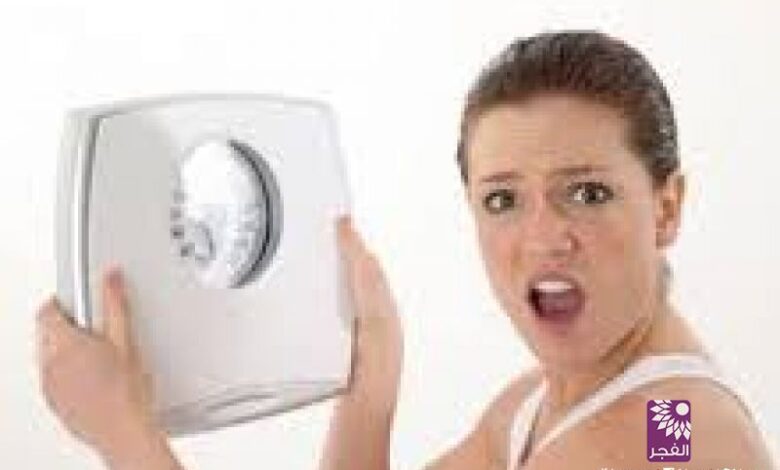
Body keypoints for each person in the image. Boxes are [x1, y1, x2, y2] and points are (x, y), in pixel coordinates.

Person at [38, 31, 775, 469]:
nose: (544, 238)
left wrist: (125, 436)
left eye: (586, 192)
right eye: (503, 199)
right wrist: (373, 380)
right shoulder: (548, 406)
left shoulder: (666, 435)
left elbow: (660, 450)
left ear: (666, 207)